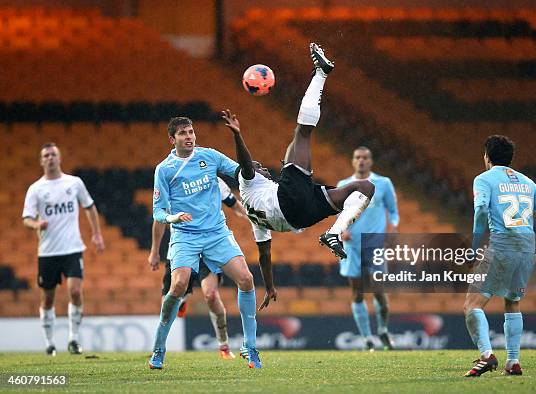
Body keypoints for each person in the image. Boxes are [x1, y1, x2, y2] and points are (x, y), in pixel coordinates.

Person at [220, 43, 375, 308]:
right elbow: (246, 164)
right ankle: (321, 73)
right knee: (302, 133)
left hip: (301, 217)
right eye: (258, 166)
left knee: (364, 187)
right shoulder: (249, 184)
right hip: (289, 202)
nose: (262, 167)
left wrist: (269, 287)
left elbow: (265, 253)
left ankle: (335, 233)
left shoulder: (255, 217)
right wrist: (238, 135)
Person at [148, 117, 261, 369]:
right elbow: (157, 212)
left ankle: (250, 347)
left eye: (191, 132)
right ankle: (158, 349)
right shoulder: (164, 169)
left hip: (216, 234)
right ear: (172, 139)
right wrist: (171, 216)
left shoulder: (209, 156)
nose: (189, 136)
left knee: (246, 279)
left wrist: (237, 137)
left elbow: (241, 171)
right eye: (183, 134)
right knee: (178, 285)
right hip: (185, 235)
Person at [464, 135, 536, 377]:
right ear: (510, 158)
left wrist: (475, 245)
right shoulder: (527, 182)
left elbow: (481, 209)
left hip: (502, 243)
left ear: (487, 156)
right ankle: (513, 361)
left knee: (472, 305)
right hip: (526, 248)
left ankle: (486, 355)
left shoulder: (484, 179)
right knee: (512, 301)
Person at [149, 177, 248, 359]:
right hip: (181, 249)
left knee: (210, 295)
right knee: (169, 300)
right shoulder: (172, 181)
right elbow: (160, 217)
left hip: (207, 250)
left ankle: (223, 345)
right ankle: (159, 346)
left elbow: (234, 204)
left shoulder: (213, 179)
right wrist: (154, 251)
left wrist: (253, 217)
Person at [22, 142, 105, 356]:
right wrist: (36, 225)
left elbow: (89, 207)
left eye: (53, 154)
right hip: (48, 252)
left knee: (75, 291)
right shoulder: (36, 189)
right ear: (41, 161)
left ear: (60, 158)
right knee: (47, 298)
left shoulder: (74, 183)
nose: (50, 158)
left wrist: (96, 234)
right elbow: (27, 218)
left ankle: (73, 339)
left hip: (72, 248)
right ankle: (49, 343)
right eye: (46, 155)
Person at [337, 147, 399, 351]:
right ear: (352, 161)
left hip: (375, 245)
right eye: (357, 157)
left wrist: (392, 230)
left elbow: (393, 212)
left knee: (379, 291)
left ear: (371, 161)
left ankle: (382, 330)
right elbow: (339, 215)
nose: (361, 161)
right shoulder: (343, 185)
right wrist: (341, 231)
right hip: (351, 246)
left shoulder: (383, 183)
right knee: (357, 292)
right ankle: (367, 339)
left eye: (365, 157)